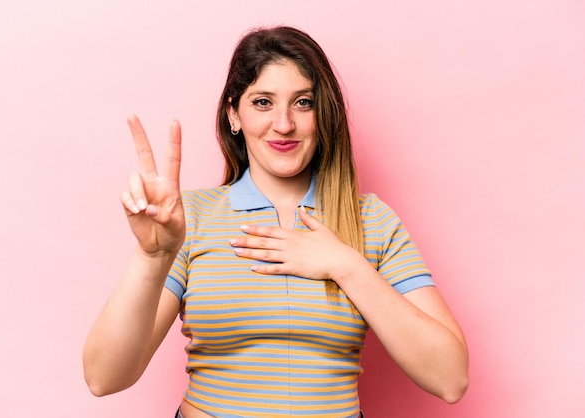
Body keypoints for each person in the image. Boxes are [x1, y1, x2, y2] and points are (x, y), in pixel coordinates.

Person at [83, 26, 469, 418]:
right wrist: (152, 257)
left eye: (303, 102)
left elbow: (451, 380)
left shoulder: (372, 221)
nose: (284, 124)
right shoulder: (189, 218)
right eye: (263, 102)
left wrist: (345, 264)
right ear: (234, 113)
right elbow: (104, 378)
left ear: (324, 114)